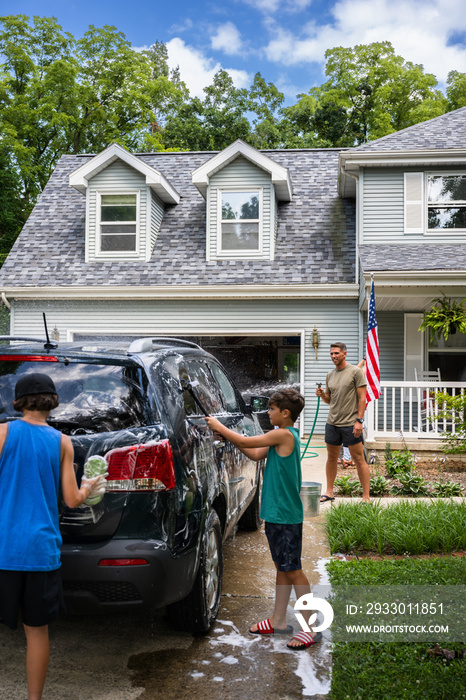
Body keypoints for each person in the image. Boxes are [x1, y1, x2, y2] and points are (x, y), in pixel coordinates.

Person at [0, 373, 107, 700]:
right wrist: (90, 485)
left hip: (4, 549)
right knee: (37, 632)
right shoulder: (63, 443)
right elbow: (73, 499)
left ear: (18, 401)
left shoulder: (3, 432)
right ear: (52, 402)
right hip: (41, 552)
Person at [205, 388, 321, 651]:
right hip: (277, 515)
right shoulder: (278, 438)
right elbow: (255, 453)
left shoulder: (283, 434)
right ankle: (278, 621)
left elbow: (248, 443)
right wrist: (229, 437)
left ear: (285, 413)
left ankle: (310, 628)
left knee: (293, 570)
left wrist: (220, 427)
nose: (268, 413)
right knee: (282, 568)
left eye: (271, 409)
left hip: (286, 516)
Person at [316, 344, 371, 503]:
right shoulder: (330, 375)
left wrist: (359, 421)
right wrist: (321, 395)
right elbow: (329, 400)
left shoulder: (356, 372)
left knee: (359, 459)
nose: (333, 356)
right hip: (332, 423)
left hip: (350, 423)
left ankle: (366, 496)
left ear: (344, 354)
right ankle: (329, 492)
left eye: (337, 353)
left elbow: (362, 398)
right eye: (331, 353)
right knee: (332, 458)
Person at [339, 357, 366, 468]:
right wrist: (364, 360)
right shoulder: (351, 378)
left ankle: (348, 459)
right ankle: (348, 459)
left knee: (352, 435)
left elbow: (359, 370)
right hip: (346, 411)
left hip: (352, 411)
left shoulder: (355, 379)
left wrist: (365, 361)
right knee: (349, 435)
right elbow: (358, 370)